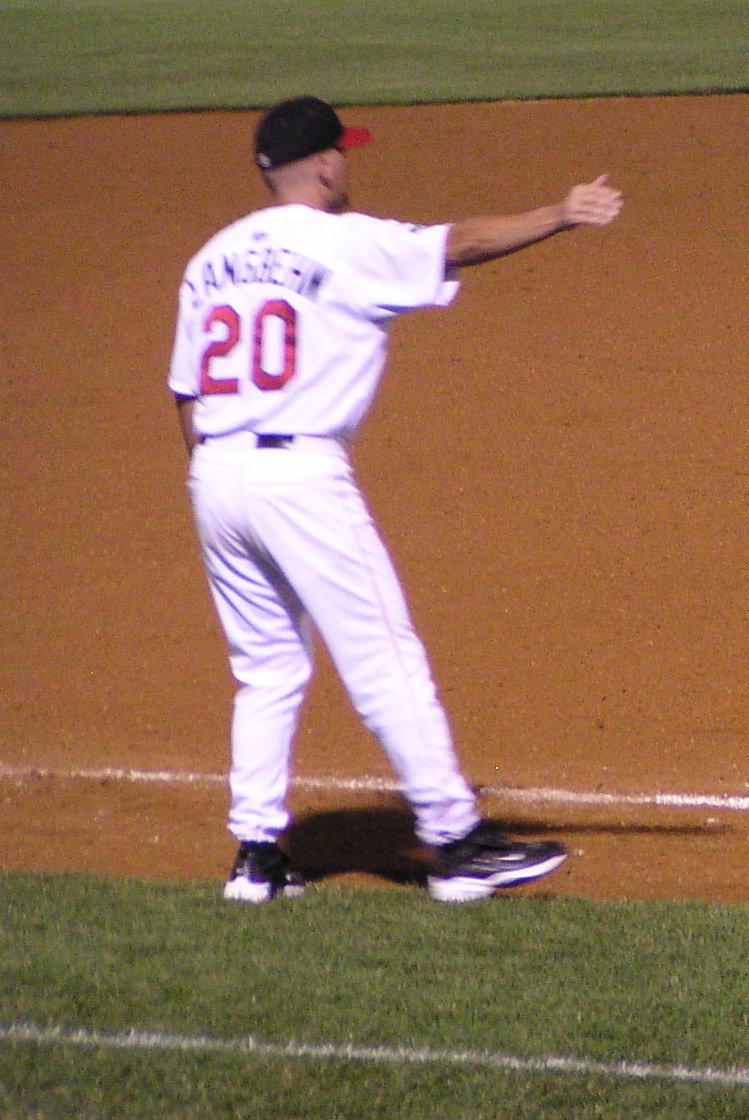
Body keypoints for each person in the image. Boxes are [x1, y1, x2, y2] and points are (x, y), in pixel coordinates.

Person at [169, 96, 623, 904]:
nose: (348, 161)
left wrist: (214, 479)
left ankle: (258, 858)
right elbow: (462, 242)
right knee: (384, 657)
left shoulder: (210, 259)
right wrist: (559, 213)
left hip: (215, 473)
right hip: (299, 476)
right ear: (324, 161)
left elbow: (183, 391)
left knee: (266, 669)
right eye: (343, 150)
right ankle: (456, 841)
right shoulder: (346, 241)